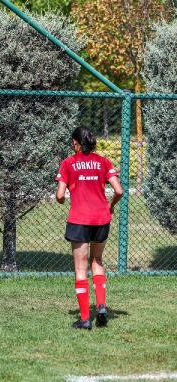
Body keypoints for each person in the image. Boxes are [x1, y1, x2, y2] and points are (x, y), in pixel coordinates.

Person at [56, 126, 123, 330]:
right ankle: (101, 306)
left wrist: (68, 188)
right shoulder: (103, 161)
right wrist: (110, 206)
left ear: (76, 143)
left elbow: (59, 197)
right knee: (97, 260)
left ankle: (85, 318)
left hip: (79, 219)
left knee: (80, 268)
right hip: (102, 218)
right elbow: (119, 190)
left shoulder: (68, 163)